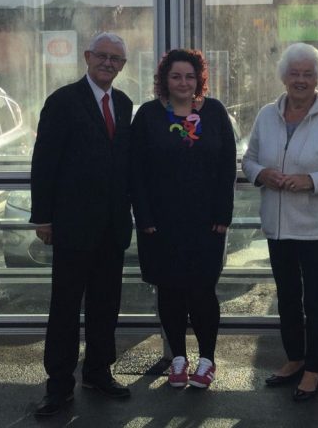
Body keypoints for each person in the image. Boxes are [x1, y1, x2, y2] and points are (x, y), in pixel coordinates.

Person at [242, 43, 318, 402]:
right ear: (284, 76)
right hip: (278, 228)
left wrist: (311, 181)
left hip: (316, 229)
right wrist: (263, 174)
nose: (301, 80)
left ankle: (314, 370)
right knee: (288, 299)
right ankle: (294, 358)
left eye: (308, 74)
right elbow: (248, 161)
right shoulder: (266, 115)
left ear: (317, 78)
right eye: (295, 73)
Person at [30, 32, 133, 416]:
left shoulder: (123, 103)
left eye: (117, 59)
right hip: (72, 225)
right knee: (65, 309)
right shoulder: (62, 101)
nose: (109, 63)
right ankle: (58, 385)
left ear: (123, 65)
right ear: (88, 57)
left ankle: (98, 372)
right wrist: (43, 217)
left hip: (112, 227)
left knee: (106, 305)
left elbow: (123, 161)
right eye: (103, 56)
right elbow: (45, 161)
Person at [131, 49, 236, 390]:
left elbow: (226, 166)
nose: (183, 82)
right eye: (176, 76)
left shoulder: (216, 112)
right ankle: (178, 357)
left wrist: (224, 213)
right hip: (160, 223)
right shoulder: (147, 115)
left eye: (189, 76)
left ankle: (206, 360)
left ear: (199, 79)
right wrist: (143, 215)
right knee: (170, 289)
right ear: (164, 79)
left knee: (203, 289)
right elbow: (137, 172)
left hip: (206, 222)